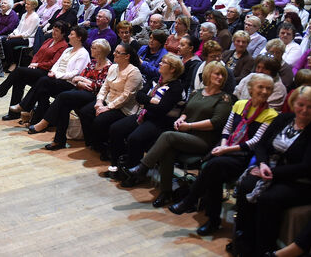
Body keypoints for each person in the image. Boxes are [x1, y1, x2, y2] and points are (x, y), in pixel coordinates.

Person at [231, 86, 311, 256]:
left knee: (268, 199)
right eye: (300, 105)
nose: (304, 110)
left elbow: (308, 167)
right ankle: (244, 239)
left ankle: (264, 249)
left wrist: (272, 173)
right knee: (246, 185)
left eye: (310, 107)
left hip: (308, 182)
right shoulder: (284, 119)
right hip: (275, 171)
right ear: (293, 103)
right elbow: (262, 145)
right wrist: (263, 164)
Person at [169, 74, 278, 235]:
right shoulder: (240, 104)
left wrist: (225, 150)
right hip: (226, 149)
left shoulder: (271, 115)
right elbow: (227, 129)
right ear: (251, 88)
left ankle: (191, 202)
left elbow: (255, 142)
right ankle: (210, 219)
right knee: (214, 172)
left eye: (268, 88)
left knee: (213, 166)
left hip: (246, 157)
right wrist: (223, 145)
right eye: (260, 87)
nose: (264, 91)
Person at [121, 62, 234, 209]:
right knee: (168, 150)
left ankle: (143, 167)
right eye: (217, 73)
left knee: (168, 136)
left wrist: (190, 126)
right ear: (208, 74)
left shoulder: (224, 98)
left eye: (222, 75)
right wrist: (181, 119)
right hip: (186, 135)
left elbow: (216, 122)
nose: (220, 77)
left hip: (203, 140)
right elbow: (186, 111)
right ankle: (166, 192)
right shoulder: (197, 92)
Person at [103, 53, 184, 180]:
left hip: (160, 122)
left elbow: (161, 109)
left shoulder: (176, 87)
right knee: (116, 128)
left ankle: (134, 174)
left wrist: (146, 102)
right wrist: (151, 101)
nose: (159, 64)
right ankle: (117, 166)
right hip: (145, 115)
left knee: (134, 138)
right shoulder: (156, 79)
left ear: (172, 69)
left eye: (164, 62)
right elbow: (138, 96)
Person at [30, 39, 112, 150]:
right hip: (82, 90)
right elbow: (75, 79)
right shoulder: (92, 63)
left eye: (94, 48)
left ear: (101, 51)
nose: (91, 49)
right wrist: (82, 82)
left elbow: (100, 86)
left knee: (63, 96)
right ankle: (59, 141)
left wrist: (83, 80)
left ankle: (45, 122)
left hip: (95, 96)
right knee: (64, 105)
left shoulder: (109, 67)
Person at [0, 22, 69, 120]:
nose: (54, 32)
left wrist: (37, 64)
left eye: (57, 31)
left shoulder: (63, 46)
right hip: (36, 69)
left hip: (46, 72)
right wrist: (32, 63)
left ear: (63, 34)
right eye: (53, 29)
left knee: (19, 70)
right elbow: (37, 54)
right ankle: (13, 113)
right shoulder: (49, 40)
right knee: (19, 79)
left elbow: (54, 63)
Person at [76, 41, 144, 157]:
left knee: (99, 121)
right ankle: (95, 143)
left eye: (118, 52)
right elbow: (105, 87)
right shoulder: (113, 67)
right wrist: (99, 101)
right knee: (85, 112)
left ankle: (105, 147)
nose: (114, 54)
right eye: (115, 51)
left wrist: (107, 107)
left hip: (124, 108)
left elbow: (126, 96)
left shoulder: (134, 72)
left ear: (127, 56)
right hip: (108, 101)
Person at [19, 27, 91, 127]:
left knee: (43, 81)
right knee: (43, 91)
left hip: (69, 83)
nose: (69, 36)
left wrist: (57, 75)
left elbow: (75, 73)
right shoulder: (68, 50)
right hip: (58, 79)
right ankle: (35, 122)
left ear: (79, 38)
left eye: (71, 35)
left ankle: (25, 106)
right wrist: (53, 71)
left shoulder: (83, 54)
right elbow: (57, 64)